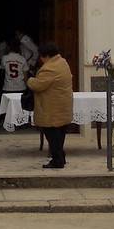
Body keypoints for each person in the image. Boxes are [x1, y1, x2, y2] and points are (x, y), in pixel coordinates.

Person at [26, 41, 73, 169]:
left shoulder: (49, 68)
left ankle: (57, 160)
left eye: (41, 56)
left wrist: (29, 80)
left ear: (46, 56)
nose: (41, 59)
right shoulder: (63, 62)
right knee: (60, 133)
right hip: (62, 106)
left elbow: (38, 85)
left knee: (52, 135)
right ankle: (60, 157)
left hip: (51, 108)